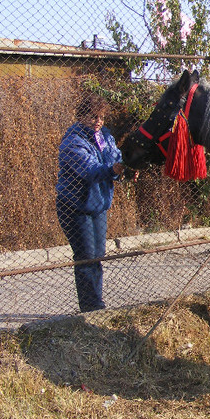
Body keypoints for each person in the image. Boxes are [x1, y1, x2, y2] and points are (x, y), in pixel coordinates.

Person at [56, 93, 124, 312]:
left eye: (101, 117)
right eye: (93, 116)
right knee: (86, 258)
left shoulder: (103, 136)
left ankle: (96, 301)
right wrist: (114, 170)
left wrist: (124, 167)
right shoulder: (72, 141)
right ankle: (90, 307)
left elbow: (115, 156)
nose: (98, 121)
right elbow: (90, 171)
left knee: (97, 256)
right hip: (75, 207)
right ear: (81, 116)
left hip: (98, 205)